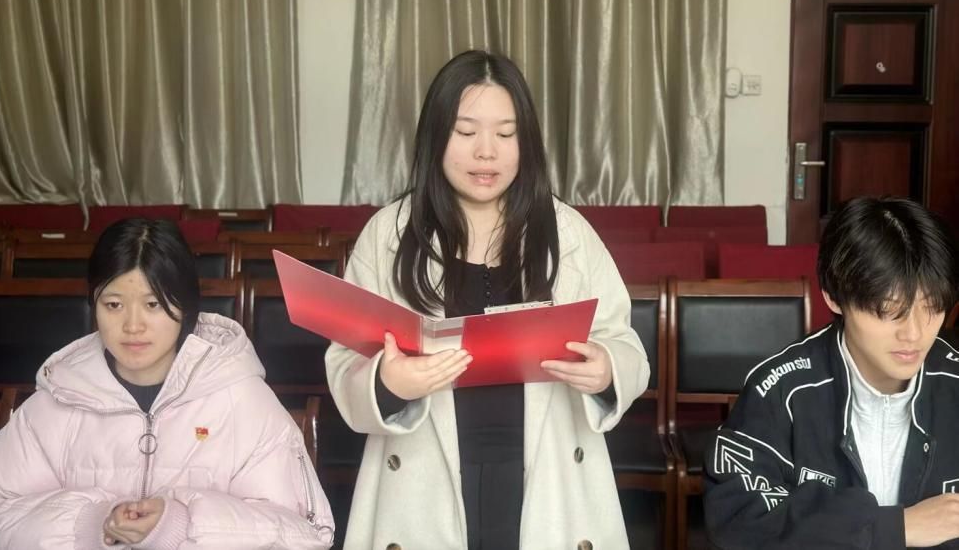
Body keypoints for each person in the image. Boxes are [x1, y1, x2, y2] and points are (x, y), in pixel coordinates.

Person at [326, 49, 650, 549]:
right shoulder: (388, 234)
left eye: (505, 134)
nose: (486, 153)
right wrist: (386, 382)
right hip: (422, 481)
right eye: (465, 131)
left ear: (526, 141)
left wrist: (607, 369)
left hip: (546, 481)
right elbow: (344, 360)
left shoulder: (566, 232)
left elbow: (624, 343)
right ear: (436, 135)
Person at [0, 218, 334, 549]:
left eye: (153, 304)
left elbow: (305, 536)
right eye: (113, 305)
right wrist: (89, 525)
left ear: (185, 307)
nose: (133, 325)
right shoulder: (57, 401)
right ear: (93, 305)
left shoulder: (243, 401)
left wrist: (177, 526)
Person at [704, 196, 959, 549]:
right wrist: (893, 527)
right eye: (888, 310)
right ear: (834, 297)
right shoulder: (780, 390)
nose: (914, 334)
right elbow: (738, 519)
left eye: (932, 307)